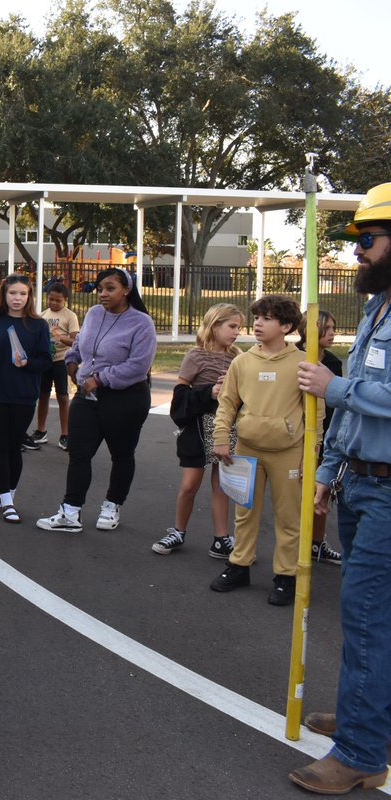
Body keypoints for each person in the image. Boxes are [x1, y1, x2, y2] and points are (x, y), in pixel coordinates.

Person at [291, 183, 391, 795]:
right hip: (362, 481)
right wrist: (330, 470)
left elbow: (353, 393)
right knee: (374, 616)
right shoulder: (378, 307)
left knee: (368, 617)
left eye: (368, 239)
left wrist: (334, 388)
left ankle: (359, 751)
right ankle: (370, 719)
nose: (357, 251)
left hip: (387, 493)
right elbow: (353, 409)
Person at [36, 267, 157, 533]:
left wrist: (100, 379)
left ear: (126, 290)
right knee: (79, 453)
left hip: (125, 399)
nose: (103, 293)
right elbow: (81, 344)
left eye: (110, 288)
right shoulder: (93, 314)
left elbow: (139, 365)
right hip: (87, 397)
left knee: (121, 455)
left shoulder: (141, 322)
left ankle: (112, 505)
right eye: (100, 288)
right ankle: (70, 512)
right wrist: (71, 361)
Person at [208, 294, 310, 606]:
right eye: (257, 317)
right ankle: (239, 566)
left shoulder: (303, 362)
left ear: (286, 326)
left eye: (267, 318)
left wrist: (312, 455)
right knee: (245, 513)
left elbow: (314, 414)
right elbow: (227, 403)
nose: (258, 323)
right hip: (247, 447)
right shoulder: (242, 362)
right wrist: (221, 438)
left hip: (289, 451)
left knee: (289, 517)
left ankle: (286, 576)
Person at [152, 303, 242, 558]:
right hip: (197, 428)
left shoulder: (238, 357)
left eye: (239, 327)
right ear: (214, 326)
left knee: (222, 484)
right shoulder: (195, 356)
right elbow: (180, 396)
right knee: (190, 484)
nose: (237, 332)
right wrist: (209, 392)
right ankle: (178, 531)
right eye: (232, 326)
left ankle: (221, 538)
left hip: (226, 426)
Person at [0, 275, 52, 523]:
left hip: (24, 394)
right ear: (4, 295)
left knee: (14, 446)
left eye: (22, 293)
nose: (17, 298)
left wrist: (27, 363)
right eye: (12, 293)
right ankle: (7, 501)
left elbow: (45, 361)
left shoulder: (38, 325)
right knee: (1, 445)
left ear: (29, 296)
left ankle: (6, 497)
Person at [305, 310, 344, 565]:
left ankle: (316, 543)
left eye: (333, 328)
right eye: (326, 328)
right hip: (298, 436)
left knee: (320, 492)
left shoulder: (332, 363)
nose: (332, 334)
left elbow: (335, 404)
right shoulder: (297, 357)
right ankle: (294, 544)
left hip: (325, 435)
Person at [32, 281, 80, 450]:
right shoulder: (43, 316)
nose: (53, 302)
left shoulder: (70, 316)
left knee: (63, 396)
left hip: (61, 360)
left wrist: (59, 337)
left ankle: (65, 434)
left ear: (65, 300)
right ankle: (41, 431)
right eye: (51, 299)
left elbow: (75, 341)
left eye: (58, 300)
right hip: (46, 361)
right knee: (43, 395)